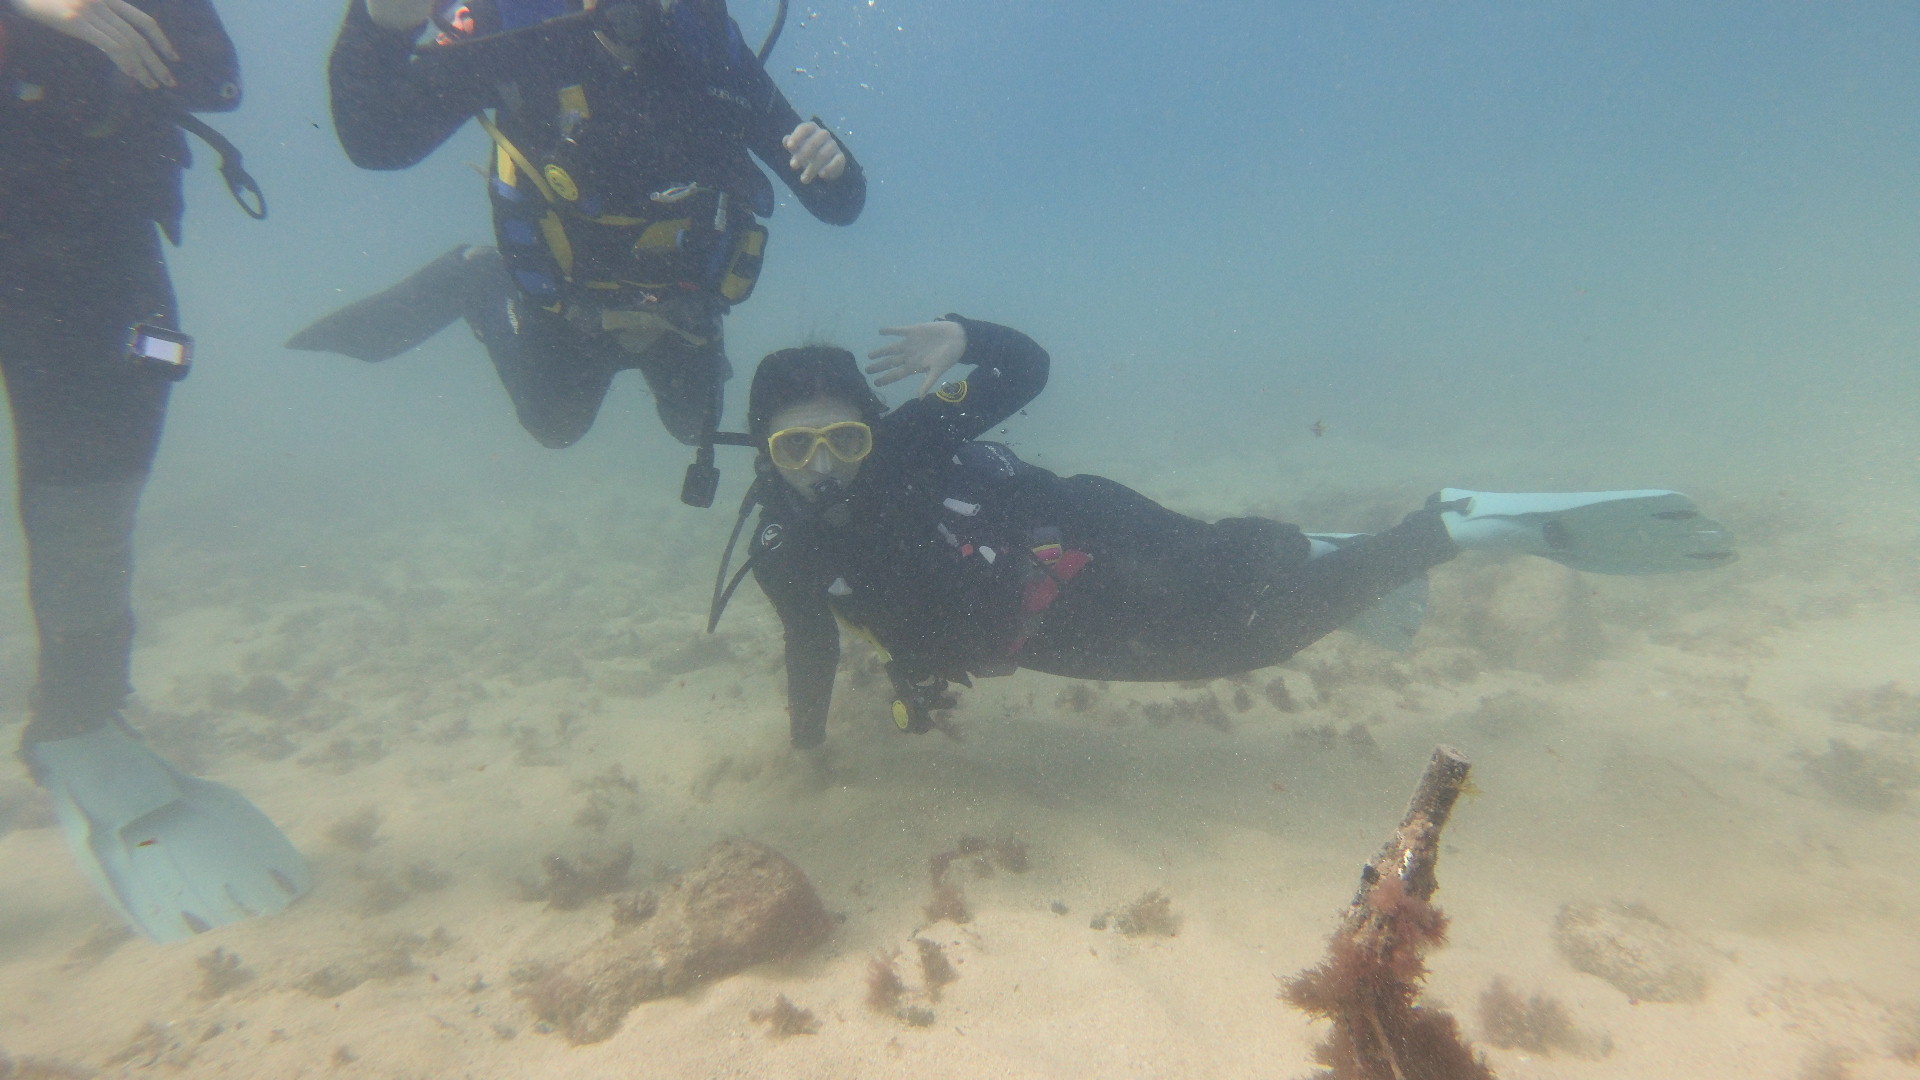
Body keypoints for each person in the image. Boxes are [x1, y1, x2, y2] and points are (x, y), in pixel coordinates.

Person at [714, 317, 1738, 750]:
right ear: (762, 452)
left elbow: (1024, 371)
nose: (826, 466)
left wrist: (967, 336)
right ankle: (1335, 550)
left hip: (1079, 539)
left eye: (844, 437)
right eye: (796, 449)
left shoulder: (911, 442)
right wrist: (808, 748)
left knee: (1244, 634)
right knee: (1234, 578)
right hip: (1044, 625)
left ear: (874, 428)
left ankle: (1447, 528)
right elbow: (811, 641)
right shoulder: (781, 555)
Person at [288, 0, 866, 504]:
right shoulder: (516, 28)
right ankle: (479, 279)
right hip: (565, 294)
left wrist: (835, 168)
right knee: (554, 426)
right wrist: (383, 26)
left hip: (681, 302)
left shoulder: (710, 45)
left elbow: (835, 204)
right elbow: (377, 140)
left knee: (694, 426)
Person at [1, 0, 308, 940]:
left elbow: (215, 76)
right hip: (64, 242)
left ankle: (81, 714)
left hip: (92, 251)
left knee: (93, 506)